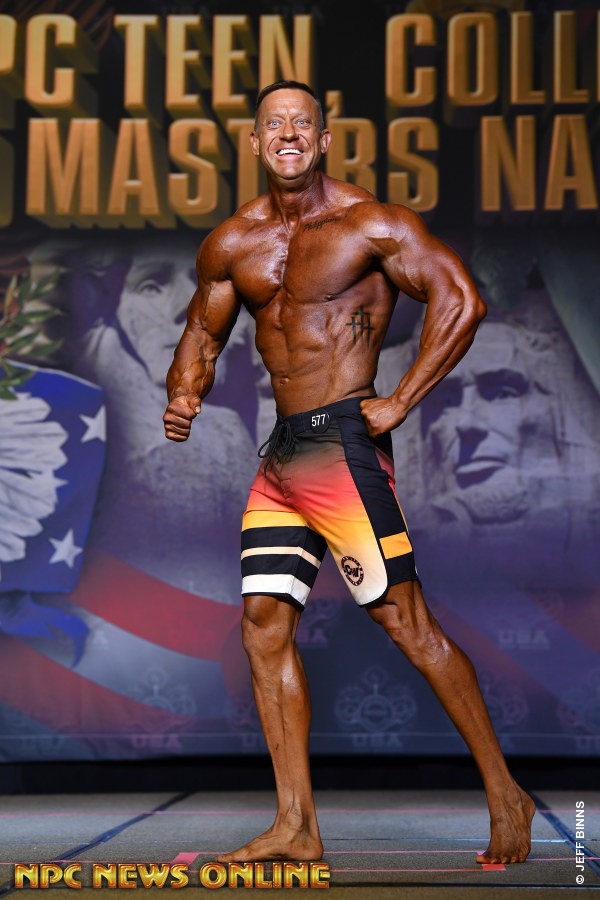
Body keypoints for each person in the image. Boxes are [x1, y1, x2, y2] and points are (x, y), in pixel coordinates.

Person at [163, 80, 535, 865]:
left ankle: (507, 792)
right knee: (263, 627)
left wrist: (400, 400)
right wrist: (184, 391)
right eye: (274, 124)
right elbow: (202, 326)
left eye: (302, 123)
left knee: (404, 620)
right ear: (256, 141)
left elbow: (461, 300)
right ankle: (296, 828)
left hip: (342, 443)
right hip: (283, 455)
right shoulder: (234, 242)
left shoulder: (371, 224)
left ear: (324, 139)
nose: (288, 134)